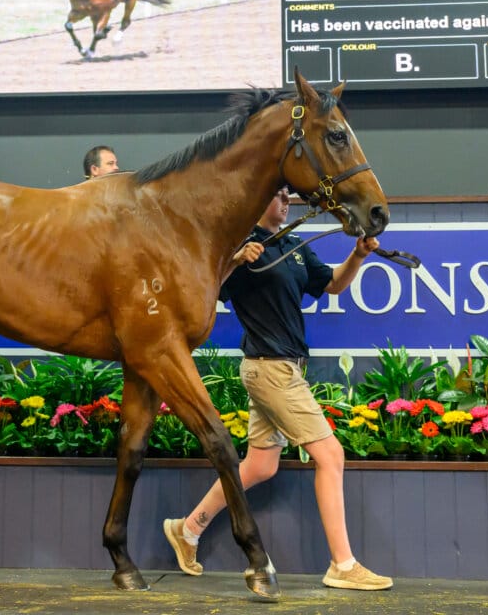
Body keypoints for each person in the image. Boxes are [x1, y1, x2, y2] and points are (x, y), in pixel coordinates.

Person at [162, 187, 392, 591]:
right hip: (270, 371)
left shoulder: (295, 246)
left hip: (282, 369)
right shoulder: (241, 244)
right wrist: (234, 261)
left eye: (289, 197)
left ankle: (188, 529)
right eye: (279, 196)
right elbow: (207, 286)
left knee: (261, 466)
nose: (287, 203)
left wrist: (358, 255)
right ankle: (342, 564)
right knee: (331, 455)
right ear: (259, 201)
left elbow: (333, 285)